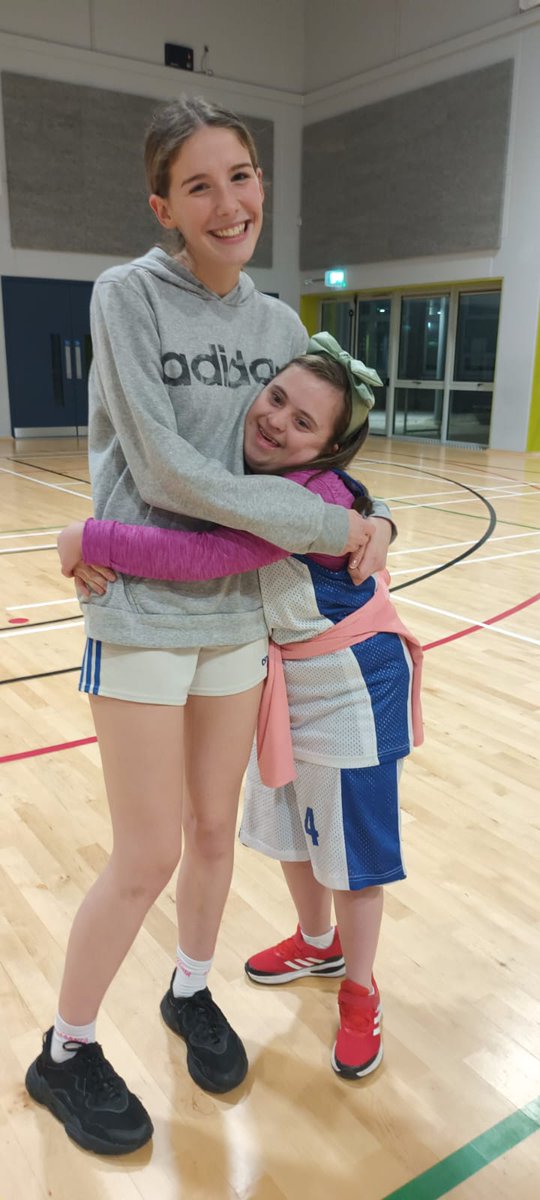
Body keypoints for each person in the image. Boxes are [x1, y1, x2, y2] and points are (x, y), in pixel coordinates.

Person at [25, 96, 395, 1157]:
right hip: (139, 610)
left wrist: (364, 517)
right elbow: (166, 471)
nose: (230, 202)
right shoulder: (126, 296)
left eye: (242, 175)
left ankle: (190, 988)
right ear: (165, 206)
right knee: (142, 852)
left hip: (238, 620)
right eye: (200, 185)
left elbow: (325, 464)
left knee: (208, 836)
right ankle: (67, 1049)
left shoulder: (281, 325)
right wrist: (323, 524)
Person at [57, 332, 422, 1086]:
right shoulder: (274, 477)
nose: (277, 421)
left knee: (352, 854)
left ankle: (361, 991)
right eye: (277, 396)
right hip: (286, 675)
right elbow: (362, 501)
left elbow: (203, 559)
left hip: (353, 679)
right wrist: (380, 517)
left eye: (304, 422)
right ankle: (317, 942)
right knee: (288, 825)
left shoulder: (298, 498)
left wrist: (84, 534)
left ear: (327, 451)